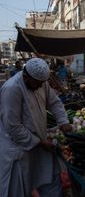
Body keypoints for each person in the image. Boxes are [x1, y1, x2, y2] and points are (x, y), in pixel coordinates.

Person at [0, 58, 72, 197]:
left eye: (42, 83)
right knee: (18, 189)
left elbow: (54, 103)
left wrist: (63, 122)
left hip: (39, 142)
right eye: (37, 83)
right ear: (26, 77)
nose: (40, 86)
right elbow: (13, 127)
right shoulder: (12, 89)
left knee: (49, 180)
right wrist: (39, 142)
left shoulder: (41, 83)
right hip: (18, 148)